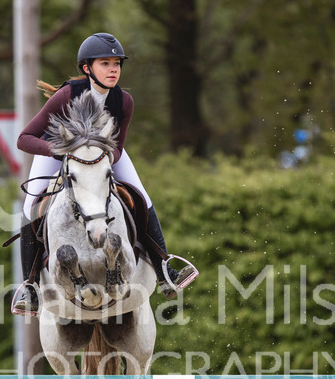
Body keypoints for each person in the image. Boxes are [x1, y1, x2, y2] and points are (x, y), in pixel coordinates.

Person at [11, 32, 197, 315]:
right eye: (105, 64)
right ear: (87, 68)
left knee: (141, 196)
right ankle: (30, 285)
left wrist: (101, 161)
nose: (113, 70)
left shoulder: (124, 101)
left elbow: (118, 147)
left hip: (103, 155)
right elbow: (24, 138)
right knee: (30, 205)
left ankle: (164, 268)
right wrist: (61, 151)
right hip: (57, 150)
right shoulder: (66, 96)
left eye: (117, 64)